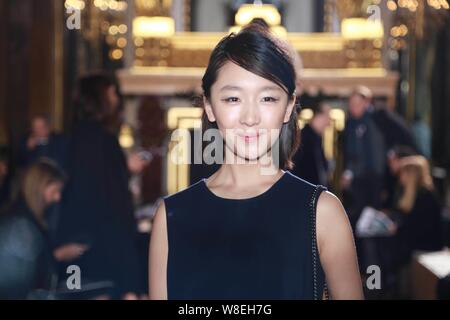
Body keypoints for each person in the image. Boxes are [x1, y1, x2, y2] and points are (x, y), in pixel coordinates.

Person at [149, 25, 363, 300]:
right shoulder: (171, 217)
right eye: (233, 98)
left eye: (267, 98)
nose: (250, 117)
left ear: (288, 107)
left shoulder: (321, 212)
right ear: (210, 106)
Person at [55, 73, 149, 299]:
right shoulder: (102, 140)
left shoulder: (76, 136)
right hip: (100, 247)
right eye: (112, 92)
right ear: (101, 97)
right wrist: (130, 278)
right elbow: (112, 205)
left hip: (81, 244)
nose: (116, 98)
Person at [0, 159, 70, 299]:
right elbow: (18, 281)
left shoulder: (28, 217)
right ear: (41, 186)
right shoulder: (20, 223)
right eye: (55, 190)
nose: (58, 197)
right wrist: (57, 256)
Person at [341, 86, 386, 227]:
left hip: (373, 180)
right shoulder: (351, 123)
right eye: (351, 104)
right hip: (360, 180)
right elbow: (351, 152)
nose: (353, 108)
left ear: (367, 103)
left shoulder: (378, 121)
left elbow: (375, 154)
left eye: (357, 104)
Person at [291, 102, 331, 186]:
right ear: (319, 116)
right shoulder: (302, 138)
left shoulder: (317, 138)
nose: (329, 123)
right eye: (328, 117)